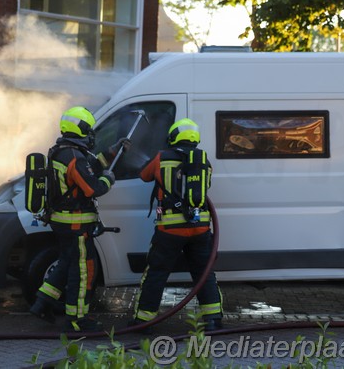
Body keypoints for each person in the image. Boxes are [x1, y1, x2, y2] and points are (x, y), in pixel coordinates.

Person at [29, 106, 128, 332]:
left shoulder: (61, 151)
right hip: (76, 225)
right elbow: (92, 187)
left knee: (66, 263)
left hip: (62, 222)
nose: (91, 134)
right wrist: (109, 179)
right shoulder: (74, 157)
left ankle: (41, 302)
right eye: (89, 129)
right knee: (84, 271)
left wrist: (112, 152)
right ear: (81, 130)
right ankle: (77, 320)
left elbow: (89, 167)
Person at [130, 118, 223, 331]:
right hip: (200, 228)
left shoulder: (162, 157)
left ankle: (144, 320)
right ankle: (213, 319)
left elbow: (143, 175)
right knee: (204, 273)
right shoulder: (204, 160)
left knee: (157, 272)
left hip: (169, 230)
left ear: (173, 136)